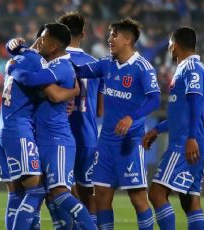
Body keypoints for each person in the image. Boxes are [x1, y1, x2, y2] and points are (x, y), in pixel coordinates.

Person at [74, 18, 160, 230]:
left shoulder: (143, 68)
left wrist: (132, 117)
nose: (109, 39)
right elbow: (79, 71)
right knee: (101, 195)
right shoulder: (106, 63)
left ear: (128, 40)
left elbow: (155, 99)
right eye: (110, 35)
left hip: (129, 143)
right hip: (106, 144)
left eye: (114, 35)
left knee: (138, 198)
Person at [9, 23, 95, 230]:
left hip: (58, 141)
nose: (39, 42)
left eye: (44, 39)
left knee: (60, 194)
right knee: (47, 196)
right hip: (41, 139)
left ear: (55, 46)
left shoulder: (62, 66)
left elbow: (36, 82)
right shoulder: (48, 63)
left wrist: (12, 66)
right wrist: (13, 47)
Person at [142, 27, 204, 230]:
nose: (169, 49)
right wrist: (157, 130)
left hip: (185, 144)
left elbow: (196, 104)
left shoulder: (192, 68)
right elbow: (181, 113)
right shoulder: (187, 68)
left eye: (170, 44)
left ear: (175, 45)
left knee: (156, 193)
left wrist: (191, 138)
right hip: (192, 140)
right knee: (190, 201)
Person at [57, 11, 104, 227]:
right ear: (83, 33)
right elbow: (100, 110)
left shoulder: (55, 61)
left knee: (60, 191)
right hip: (87, 135)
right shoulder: (95, 64)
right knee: (88, 193)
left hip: (59, 136)